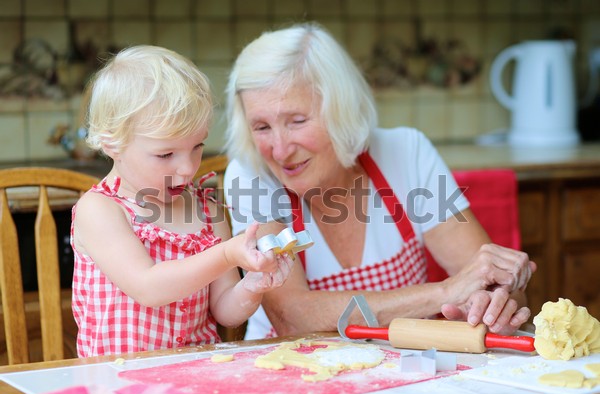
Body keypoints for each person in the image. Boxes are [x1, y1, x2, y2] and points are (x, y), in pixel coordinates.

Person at [222, 22, 537, 340]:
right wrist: (445, 293)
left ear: (341, 109)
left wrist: (496, 307)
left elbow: (491, 283)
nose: (279, 149)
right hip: (286, 372)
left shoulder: (406, 153)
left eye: (298, 121)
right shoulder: (250, 175)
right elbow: (293, 316)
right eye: (262, 127)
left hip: (402, 371)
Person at [70, 45, 293, 357]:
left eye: (197, 146)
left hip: (196, 376)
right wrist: (228, 254)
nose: (188, 168)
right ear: (112, 143)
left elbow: (225, 309)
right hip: (119, 382)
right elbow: (149, 287)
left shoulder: (207, 211)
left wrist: (252, 285)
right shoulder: (101, 210)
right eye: (165, 154)